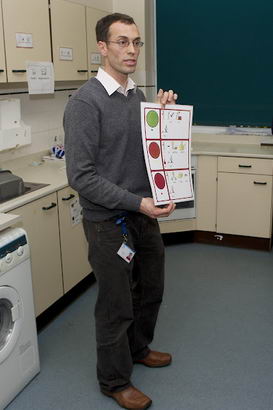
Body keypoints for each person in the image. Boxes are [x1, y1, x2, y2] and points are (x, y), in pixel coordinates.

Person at [64, 12, 177, 410]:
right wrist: (138, 202)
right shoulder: (84, 103)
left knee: (150, 290)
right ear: (102, 47)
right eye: (122, 42)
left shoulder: (137, 97)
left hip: (142, 215)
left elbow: (144, 154)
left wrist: (162, 117)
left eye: (136, 42)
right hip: (107, 222)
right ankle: (114, 380)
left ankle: (139, 347)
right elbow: (81, 176)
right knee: (116, 304)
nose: (131, 50)